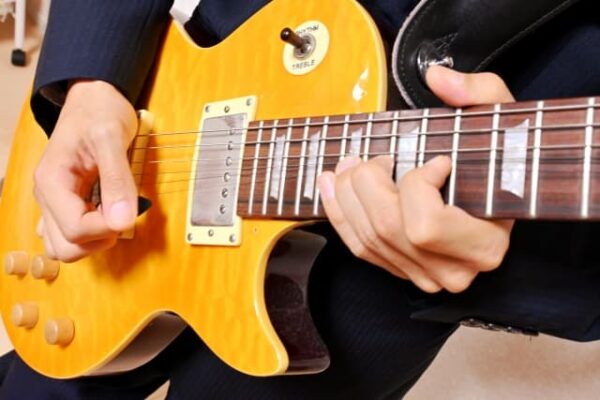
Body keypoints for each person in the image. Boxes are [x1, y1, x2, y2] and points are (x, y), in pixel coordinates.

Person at [1, 0, 600, 398]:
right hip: (198, 75)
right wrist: (91, 76)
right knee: (47, 379)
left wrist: (516, 243)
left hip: (395, 273)